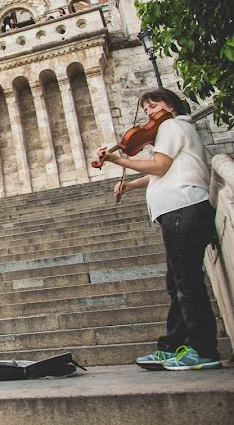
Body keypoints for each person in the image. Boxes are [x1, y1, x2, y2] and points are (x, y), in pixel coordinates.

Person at [97, 88, 220, 371]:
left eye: (153, 106)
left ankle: (203, 350)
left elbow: (160, 166)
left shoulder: (172, 126)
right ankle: (174, 346)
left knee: (186, 283)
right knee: (177, 283)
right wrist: (130, 184)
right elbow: (165, 169)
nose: (149, 114)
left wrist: (117, 160)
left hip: (183, 208)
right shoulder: (176, 130)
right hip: (180, 210)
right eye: (146, 110)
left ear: (171, 106)